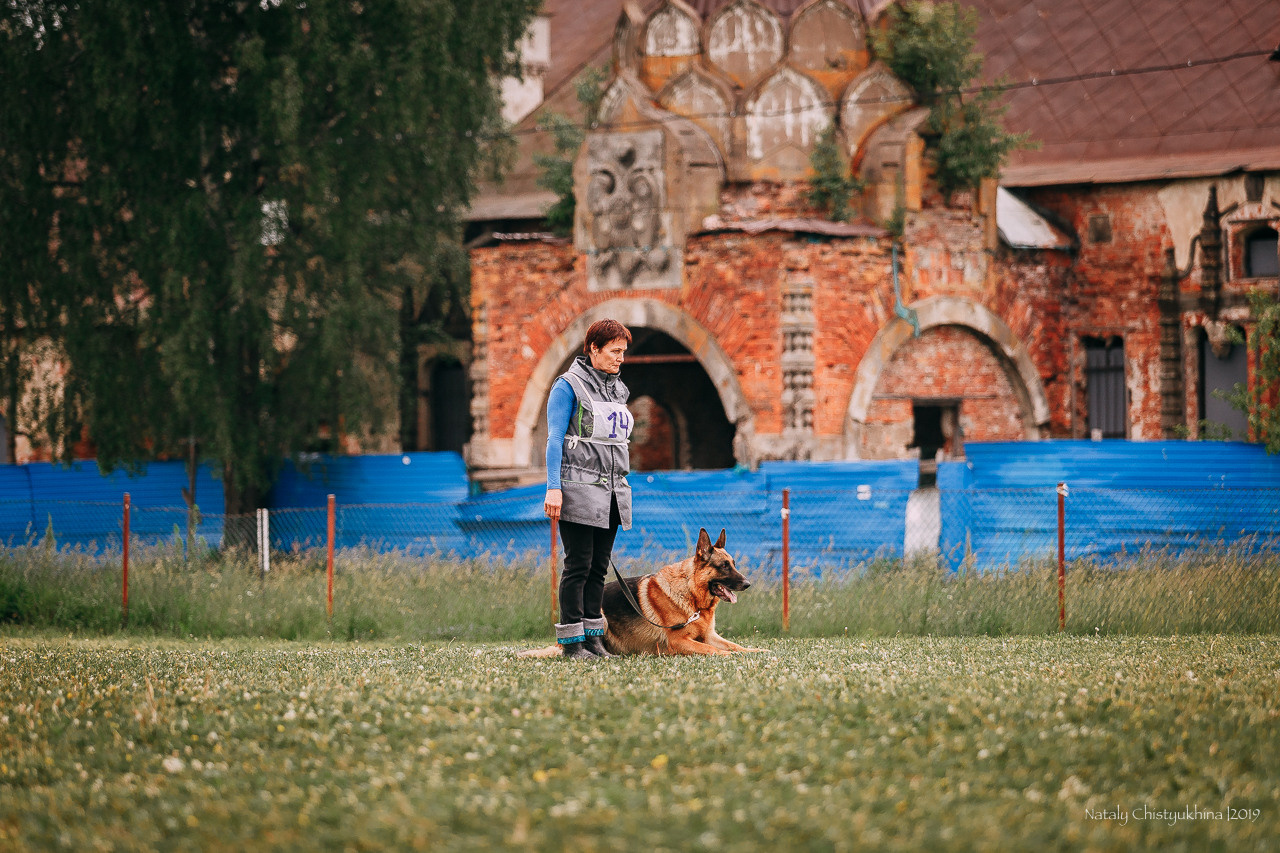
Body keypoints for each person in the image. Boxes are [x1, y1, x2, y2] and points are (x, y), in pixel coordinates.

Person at [543, 318, 634, 659]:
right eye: (614, 351)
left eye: (623, 352)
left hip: (612, 493)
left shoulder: (618, 389)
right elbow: (554, 440)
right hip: (577, 490)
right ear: (594, 349)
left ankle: (594, 640)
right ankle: (571, 643)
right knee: (577, 565)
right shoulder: (567, 386)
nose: (619, 359)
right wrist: (554, 488)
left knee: (599, 566)